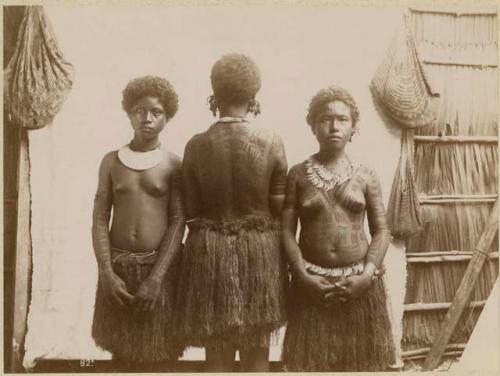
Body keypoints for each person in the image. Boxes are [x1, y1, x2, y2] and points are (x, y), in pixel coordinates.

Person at [175, 53, 288, 372]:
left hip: (209, 252)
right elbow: (278, 208)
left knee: (217, 352)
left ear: (215, 95)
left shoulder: (196, 145)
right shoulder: (272, 142)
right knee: (256, 352)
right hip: (261, 255)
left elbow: (193, 210)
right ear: (253, 97)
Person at [281, 85, 395, 371]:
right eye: (325, 119)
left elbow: (382, 230)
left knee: (360, 365)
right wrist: (302, 274)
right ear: (313, 125)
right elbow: (285, 230)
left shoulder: (366, 175)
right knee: (311, 365)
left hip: (358, 283)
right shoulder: (297, 174)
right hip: (311, 285)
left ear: (354, 126)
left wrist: (367, 276)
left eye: (342, 119)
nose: (334, 126)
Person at [91, 76, 185, 366]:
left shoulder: (173, 164)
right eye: (139, 110)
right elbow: (99, 219)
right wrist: (107, 273)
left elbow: (178, 222)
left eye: (156, 112)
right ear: (129, 113)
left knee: (160, 355)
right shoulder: (111, 161)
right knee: (122, 356)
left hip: (158, 270)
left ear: (167, 116)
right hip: (118, 271)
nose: (147, 118)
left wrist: (156, 278)